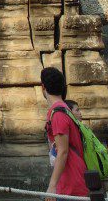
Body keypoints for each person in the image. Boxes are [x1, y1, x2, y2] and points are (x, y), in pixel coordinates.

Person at [42, 67, 88, 200]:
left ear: (42, 87)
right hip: (72, 177)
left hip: (71, 181)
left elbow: (63, 151)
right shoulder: (65, 109)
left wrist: (52, 186)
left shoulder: (58, 113)